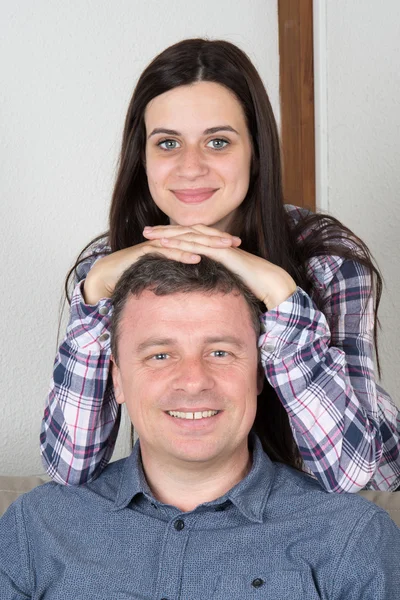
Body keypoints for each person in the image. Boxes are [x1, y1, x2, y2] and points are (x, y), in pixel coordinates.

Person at [40, 38, 400, 492]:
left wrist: (281, 295)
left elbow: (365, 475)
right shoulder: (104, 269)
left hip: (307, 527)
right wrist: (94, 298)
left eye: (217, 141)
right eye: (168, 143)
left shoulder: (327, 260)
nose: (191, 167)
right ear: (143, 158)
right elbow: (68, 470)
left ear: (255, 151)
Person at [4, 256, 400, 599]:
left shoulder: (351, 535)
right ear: (118, 380)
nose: (193, 381)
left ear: (260, 374)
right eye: (160, 355)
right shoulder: (35, 527)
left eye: (220, 352)